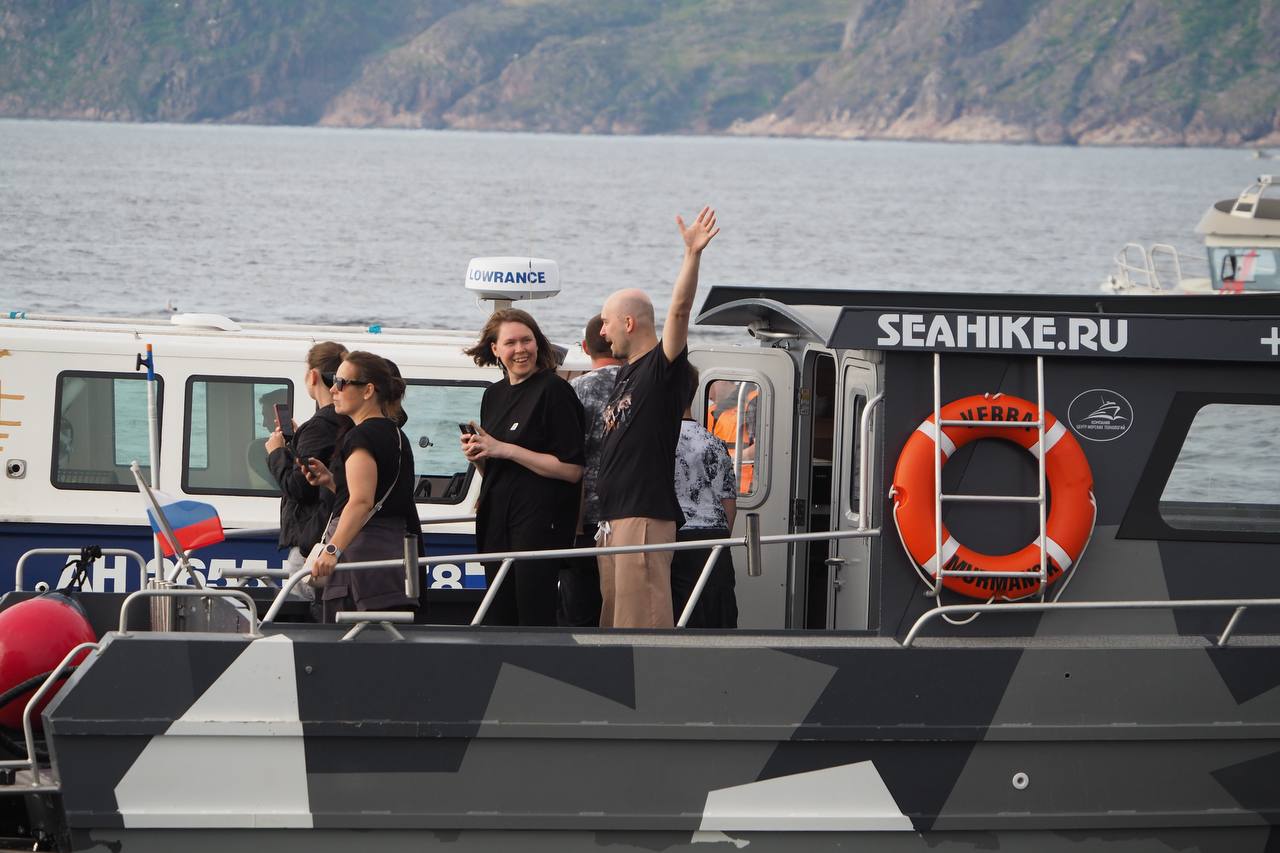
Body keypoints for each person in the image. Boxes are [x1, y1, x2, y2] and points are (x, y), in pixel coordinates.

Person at [595, 205, 720, 628]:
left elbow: (679, 311)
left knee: (643, 624)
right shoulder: (625, 374)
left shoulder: (659, 369)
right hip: (614, 520)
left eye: (607, 323)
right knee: (615, 624)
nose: (602, 332)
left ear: (629, 322)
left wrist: (691, 255)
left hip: (643, 517)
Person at [462, 309, 585, 626]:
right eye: (511, 343)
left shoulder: (554, 390)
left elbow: (572, 470)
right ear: (495, 349)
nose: (520, 350)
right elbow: (501, 471)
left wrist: (504, 449)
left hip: (538, 528)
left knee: (533, 620)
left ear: (538, 343)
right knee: (498, 621)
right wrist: (480, 458)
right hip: (497, 525)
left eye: (526, 340)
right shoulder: (493, 394)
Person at [302, 351, 419, 622]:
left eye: (341, 383)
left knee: (347, 637)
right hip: (390, 558)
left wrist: (332, 550)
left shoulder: (360, 436)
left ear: (368, 391)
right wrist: (333, 483)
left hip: (360, 563)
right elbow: (379, 494)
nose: (333, 390)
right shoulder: (395, 434)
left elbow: (362, 501)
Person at [265, 342, 350, 610]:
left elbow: (299, 486)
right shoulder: (347, 420)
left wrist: (276, 453)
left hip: (313, 541)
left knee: (305, 611)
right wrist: (297, 442)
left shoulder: (319, 426)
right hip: (333, 533)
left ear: (312, 376)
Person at [558, 314, 623, 627]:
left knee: (579, 612)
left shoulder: (574, 390)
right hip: (630, 519)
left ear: (585, 347)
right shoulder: (643, 386)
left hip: (583, 520)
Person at [670, 366, 738, 629]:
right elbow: (728, 502)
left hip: (675, 537)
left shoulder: (658, 443)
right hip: (713, 536)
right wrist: (722, 540)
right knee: (716, 614)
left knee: (679, 616)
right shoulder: (714, 443)